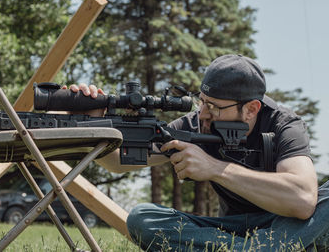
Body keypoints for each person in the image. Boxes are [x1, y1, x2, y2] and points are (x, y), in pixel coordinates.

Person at [66, 54, 329, 251]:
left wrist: (215, 168)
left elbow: (303, 200)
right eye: (201, 100)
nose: (202, 113)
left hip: (288, 224)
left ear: (251, 109)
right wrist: (94, 125)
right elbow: (117, 162)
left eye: (213, 106)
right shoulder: (196, 123)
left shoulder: (283, 124)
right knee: (142, 218)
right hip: (233, 231)